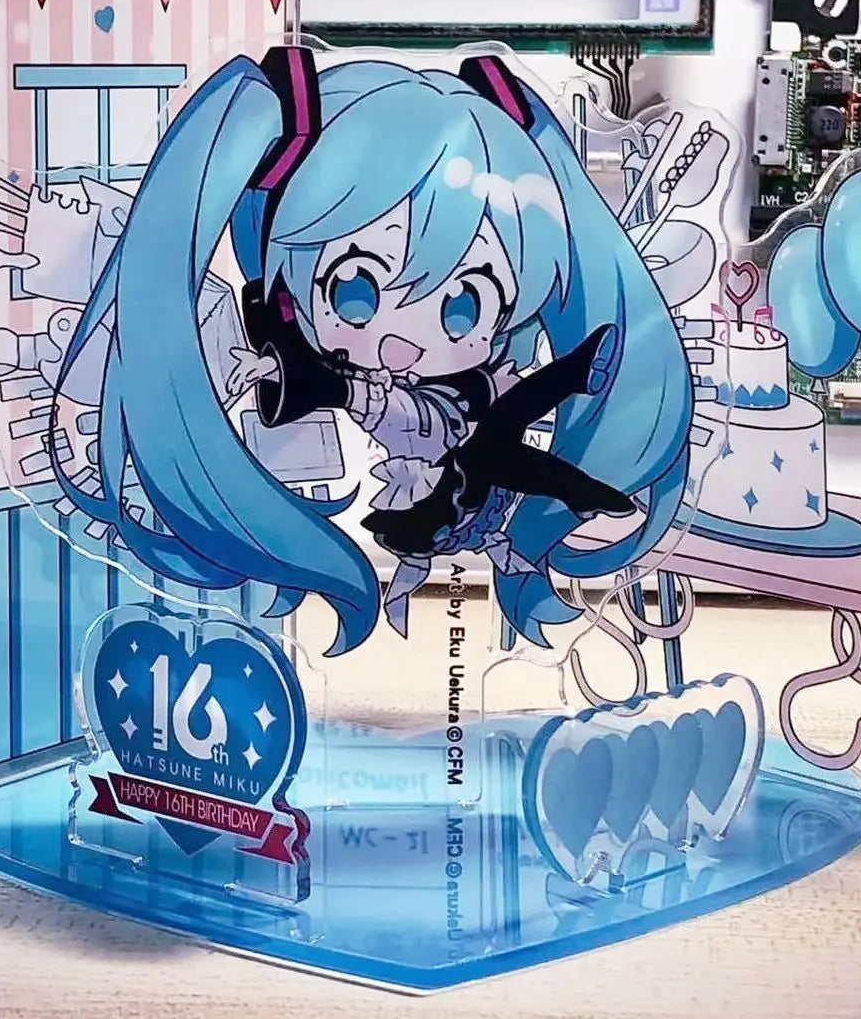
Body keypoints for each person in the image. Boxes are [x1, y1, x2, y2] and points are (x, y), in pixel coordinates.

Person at [52, 48, 693, 655]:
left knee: (504, 430)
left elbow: (387, 410)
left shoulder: (424, 440)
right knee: (503, 434)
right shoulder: (441, 460)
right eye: (356, 290)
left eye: (463, 307)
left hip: (452, 416)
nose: (401, 341)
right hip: (450, 421)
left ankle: (575, 395)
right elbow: (405, 420)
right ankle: (575, 396)